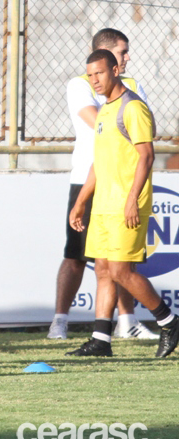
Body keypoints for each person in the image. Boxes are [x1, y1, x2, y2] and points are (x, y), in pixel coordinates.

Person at [66, 49, 179, 357]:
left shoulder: (132, 107)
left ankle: (169, 322)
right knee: (103, 269)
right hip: (103, 204)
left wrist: (132, 200)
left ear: (115, 71)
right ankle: (101, 340)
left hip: (126, 204)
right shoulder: (104, 110)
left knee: (120, 271)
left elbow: (147, 156)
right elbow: (98, 162)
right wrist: (81, 202)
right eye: (90, 75)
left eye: (99, 73)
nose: (94, 80)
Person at [48, 28, 158, 340]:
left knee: (120, 261)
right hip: (88, 178)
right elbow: (99, 121)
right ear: (107, 54)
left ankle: (126, 322)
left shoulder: (132, 87)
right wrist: (121, 112)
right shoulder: (80, 84)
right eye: (123, 52)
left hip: (121, 182)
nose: (127, 57)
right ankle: (60, 321)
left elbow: (144, 128)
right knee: (76, 256)